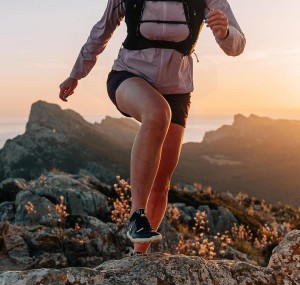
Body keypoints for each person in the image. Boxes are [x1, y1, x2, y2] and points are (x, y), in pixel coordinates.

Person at [59, 0, 246, 254]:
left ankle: (139, 256)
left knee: (162, 182)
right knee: (158, 113)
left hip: (178, 90)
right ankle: (137, 216)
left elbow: (237, 45)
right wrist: (76, 74)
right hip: (128, 76)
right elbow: (101, 31)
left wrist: (225, 33)